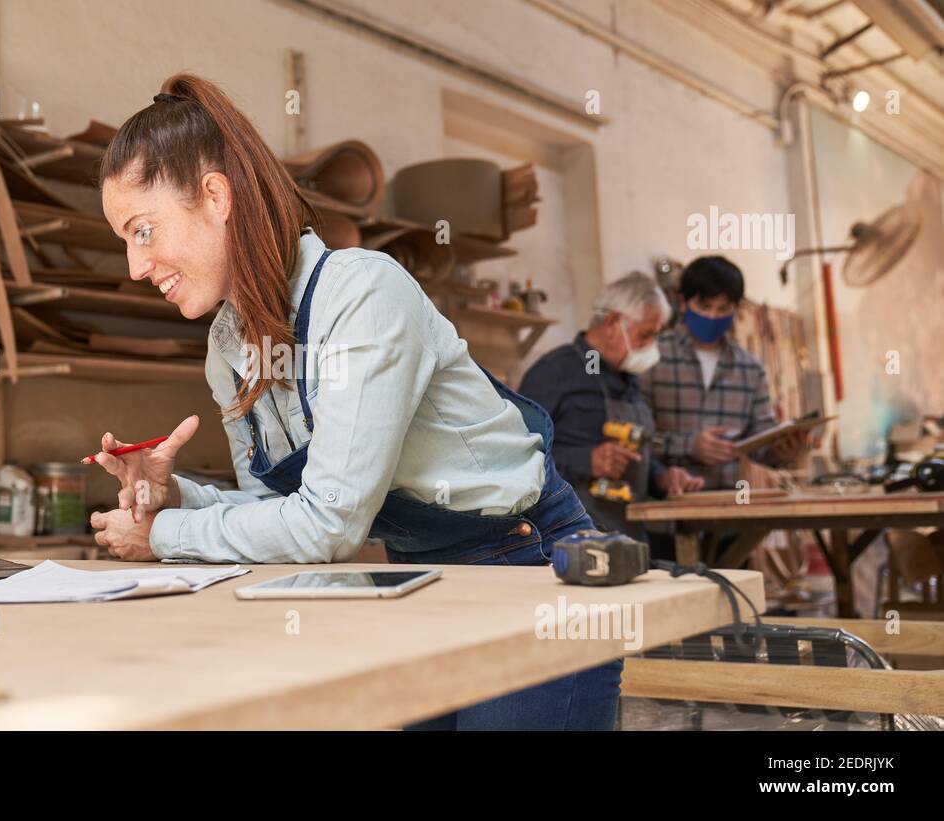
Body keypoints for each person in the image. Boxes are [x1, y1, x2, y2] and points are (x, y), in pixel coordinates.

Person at [87, 73, 622, 730]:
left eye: (143, 230)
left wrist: (163, 536)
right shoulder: (227, 347)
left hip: (529, 565)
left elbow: (326, 526)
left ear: (216, 197)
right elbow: (275, 514)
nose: (135, 267)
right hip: (422, 580)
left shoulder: (362, 294)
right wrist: (176, 499)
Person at [640, 256, 808, 558]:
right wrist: (689, 446)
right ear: (683, 302)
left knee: (732, 601)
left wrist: (782, 450)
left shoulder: (750, 368)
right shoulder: (651, 358)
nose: (713, 317)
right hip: (665, 517)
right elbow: (634, 436)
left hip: (729, 517)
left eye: (723, 309)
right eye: (705, 307)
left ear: (736, 309)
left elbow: (761, 443)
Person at [519, 272, 702, 540]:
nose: (651, 347)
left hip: (630, 534)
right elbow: (518, 457)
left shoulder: (629, 379)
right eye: (646, 335)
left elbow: (637, 454)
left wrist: (662, 477)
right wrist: (586, 460)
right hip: (570, 539)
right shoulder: (553, 372)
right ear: (613, 322)